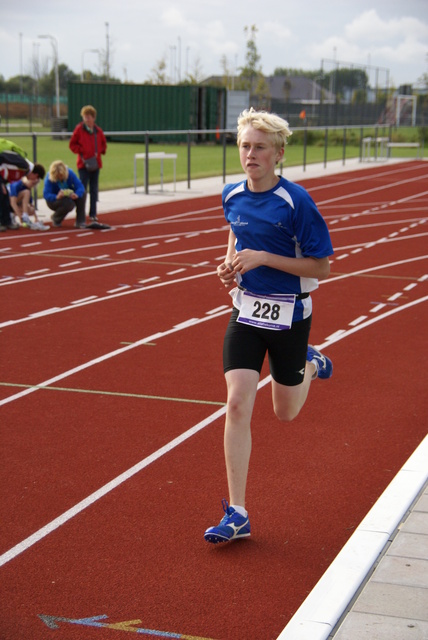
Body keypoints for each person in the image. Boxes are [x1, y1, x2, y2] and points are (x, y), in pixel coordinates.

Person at [204, 108, 334, 544]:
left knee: (285, 411)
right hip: (246, 310)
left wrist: (262, 257)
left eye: (260, 147)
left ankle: (311, 363)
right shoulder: (231, 195)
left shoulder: (297, 202)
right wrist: (231, 265)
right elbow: (235, 234)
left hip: (291, 314)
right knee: (238, 403)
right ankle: (237, 512)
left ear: (278, 153)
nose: (250, 153)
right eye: (244, 145)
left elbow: (322, 266)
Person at [69, 105, 107, 222]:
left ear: (93, 118)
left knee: (94, 190)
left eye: (89, 117)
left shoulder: (98, 131)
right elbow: (72, 145)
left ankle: (93, 214)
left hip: (95, 164)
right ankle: (80, 215)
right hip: (83, 164)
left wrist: (98, 152)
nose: (86, 119)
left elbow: (104, 145)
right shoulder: (79, 129)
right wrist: (82, 151)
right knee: (82, 189)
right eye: (85, 117)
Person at [43, 160, 86, 228]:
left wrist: (77, 194)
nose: (60, 177)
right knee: (69, 204)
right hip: (54, 201)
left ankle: (80, 221)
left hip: (68, 197)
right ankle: (56, 218)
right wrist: (56, 197)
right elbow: (46, 194)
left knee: (82, 194)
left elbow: (80, 186)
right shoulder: (49, 178)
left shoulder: (70, 173)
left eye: (61, 175)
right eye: (58, 176)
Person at [8, 164, 49, 230]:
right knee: (26, 193)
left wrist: (36, 219)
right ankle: (14, 216)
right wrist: (21, 218)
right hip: (5, 204)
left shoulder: (26, 189)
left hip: (10, 204)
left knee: (31, 210)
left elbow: (31, 206)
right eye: (33, 183)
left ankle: (15, 216)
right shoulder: (17, 184)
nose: (33, 184)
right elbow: (12, 202)